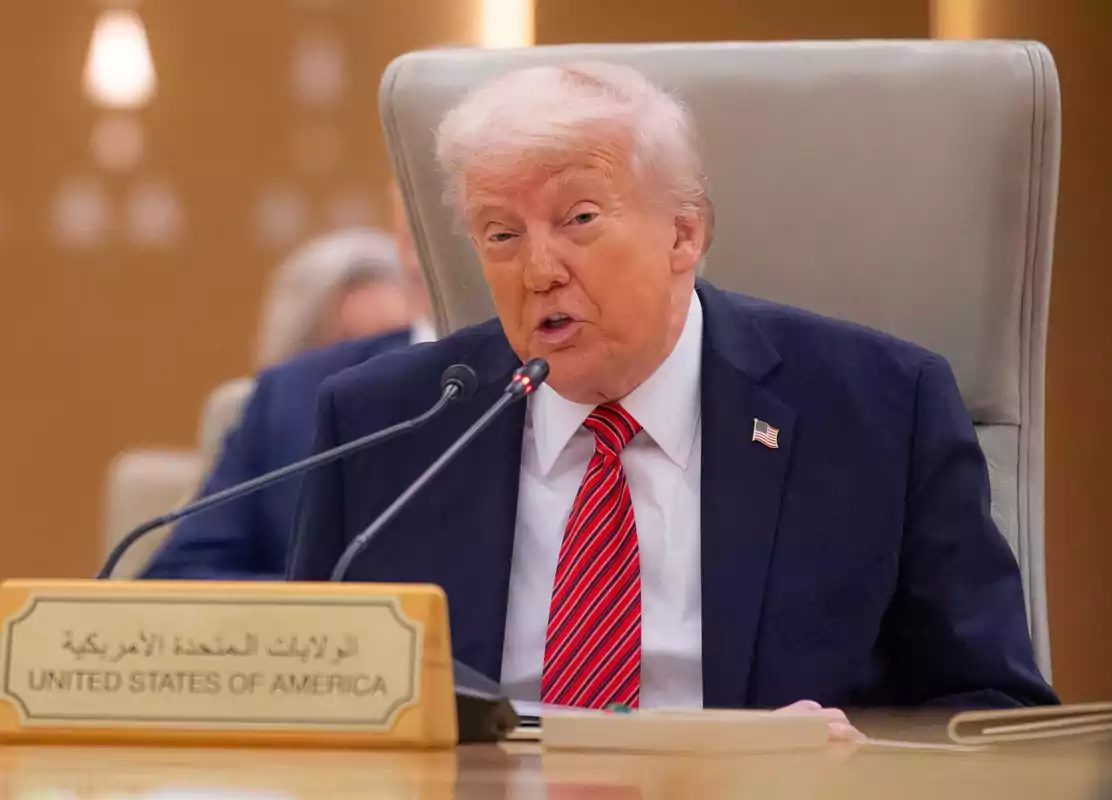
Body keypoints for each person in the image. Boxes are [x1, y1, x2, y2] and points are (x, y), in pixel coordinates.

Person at [287, 62, 1058, 728]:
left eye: (578, 218)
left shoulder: (881, 415)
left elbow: (993, 715)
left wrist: (850, 776)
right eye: (500, 234)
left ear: (684, 233)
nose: (539, 271)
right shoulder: (386, 429)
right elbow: (306, 706)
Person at [141, 220, 434, 580]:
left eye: (392, 341)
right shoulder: (286, 401)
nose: (374, 368)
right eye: (354, 347)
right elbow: (179, 576)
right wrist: (338, 608)